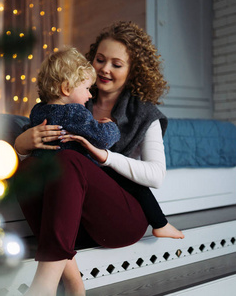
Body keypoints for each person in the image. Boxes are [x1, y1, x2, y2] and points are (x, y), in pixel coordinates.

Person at [14, 21, 184, 296]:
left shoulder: (144, 113)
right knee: (30, 167)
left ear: (132, 72)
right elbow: (33, 144)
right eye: (100, 60)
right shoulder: (74, 98)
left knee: (69, 160)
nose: (105, 69)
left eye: (116, 64)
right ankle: (74, 283)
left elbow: (155, 175)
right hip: (71, 220)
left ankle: (43, 285)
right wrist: (21, 144)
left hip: (120, 218)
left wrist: (104, 156)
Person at [28, 46, 120, 162]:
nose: (90, 95)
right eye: (87, 88)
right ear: (66, 88)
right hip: (73, 170)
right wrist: (112, 127)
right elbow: (103, 139)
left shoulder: (37, 110)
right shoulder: (73, 112)